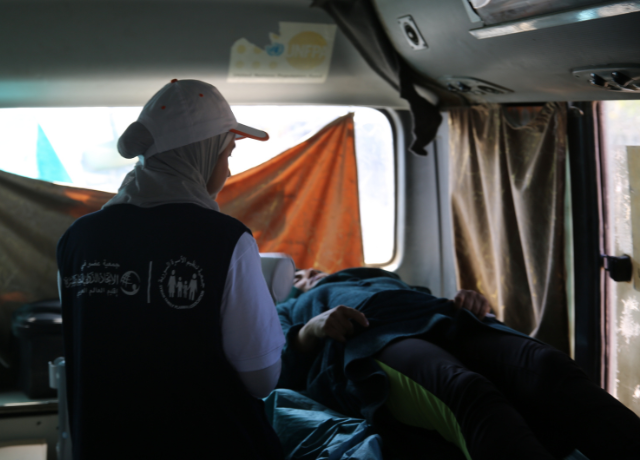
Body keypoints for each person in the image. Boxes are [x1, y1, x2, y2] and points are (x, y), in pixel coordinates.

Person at [57, 79, 285, 460]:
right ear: (202, 152)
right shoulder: (226, 239)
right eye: (226, 153)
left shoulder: (77, 239)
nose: (228, 170)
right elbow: (262, 379)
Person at [277, 267, 640, 460]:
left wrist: (466, 299)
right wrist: (311, 328)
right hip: (367, 337)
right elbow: (277, 372)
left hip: (443, 317)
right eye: (298, 277)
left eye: (312, 268)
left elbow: (431, 300)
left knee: (548, 366)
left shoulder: (376, 276)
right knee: (466, 390)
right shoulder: (290, 310)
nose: (308, 272)